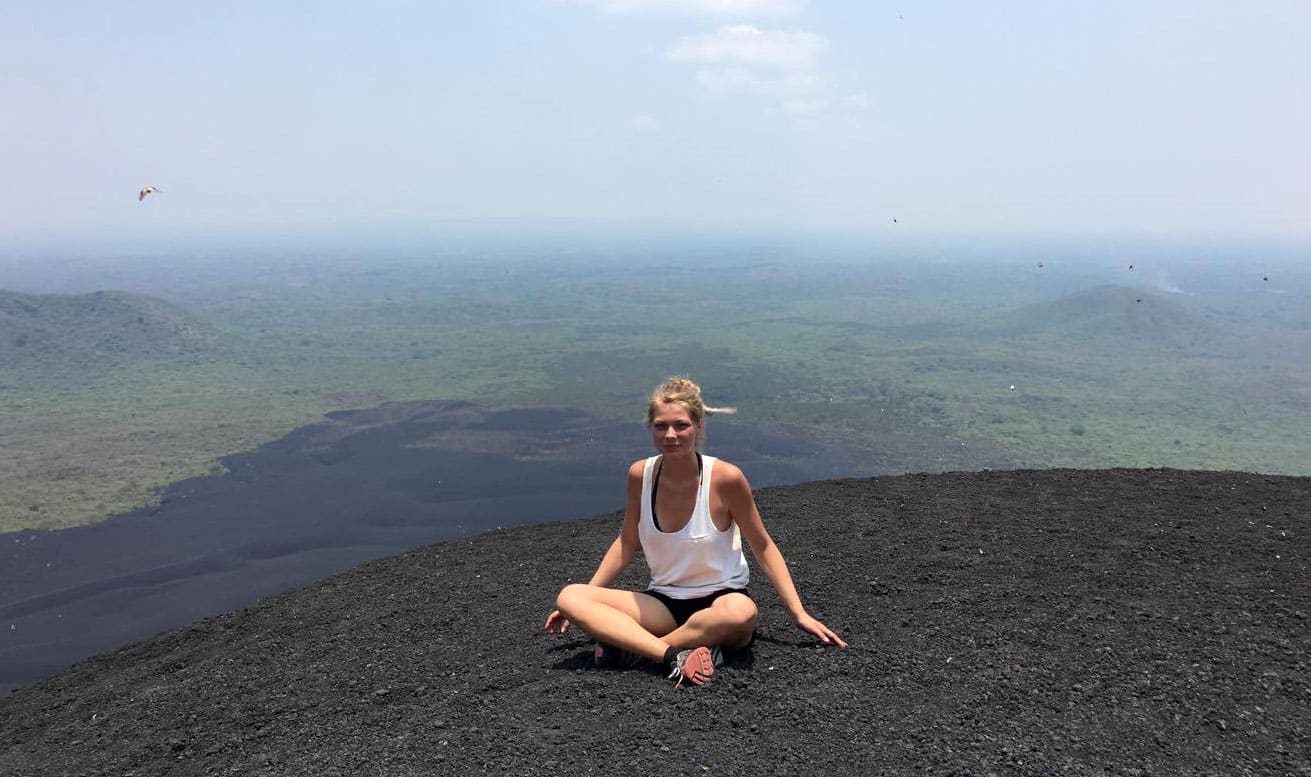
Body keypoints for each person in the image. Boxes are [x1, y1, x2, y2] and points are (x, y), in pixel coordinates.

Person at [544, 376, 847, 688]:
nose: (671, 435)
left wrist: (798, 613)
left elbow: (763, 545)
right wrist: (590, 598)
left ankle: (638, 648)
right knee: (571, 596)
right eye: (661, 426)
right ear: (650, 427)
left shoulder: (725, 479)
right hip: (664, 602)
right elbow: (626, 543)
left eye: (681, 425)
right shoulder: (640, 475)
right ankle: (673, 653)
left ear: (699, 426)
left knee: (741, 614)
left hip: (721, 600)